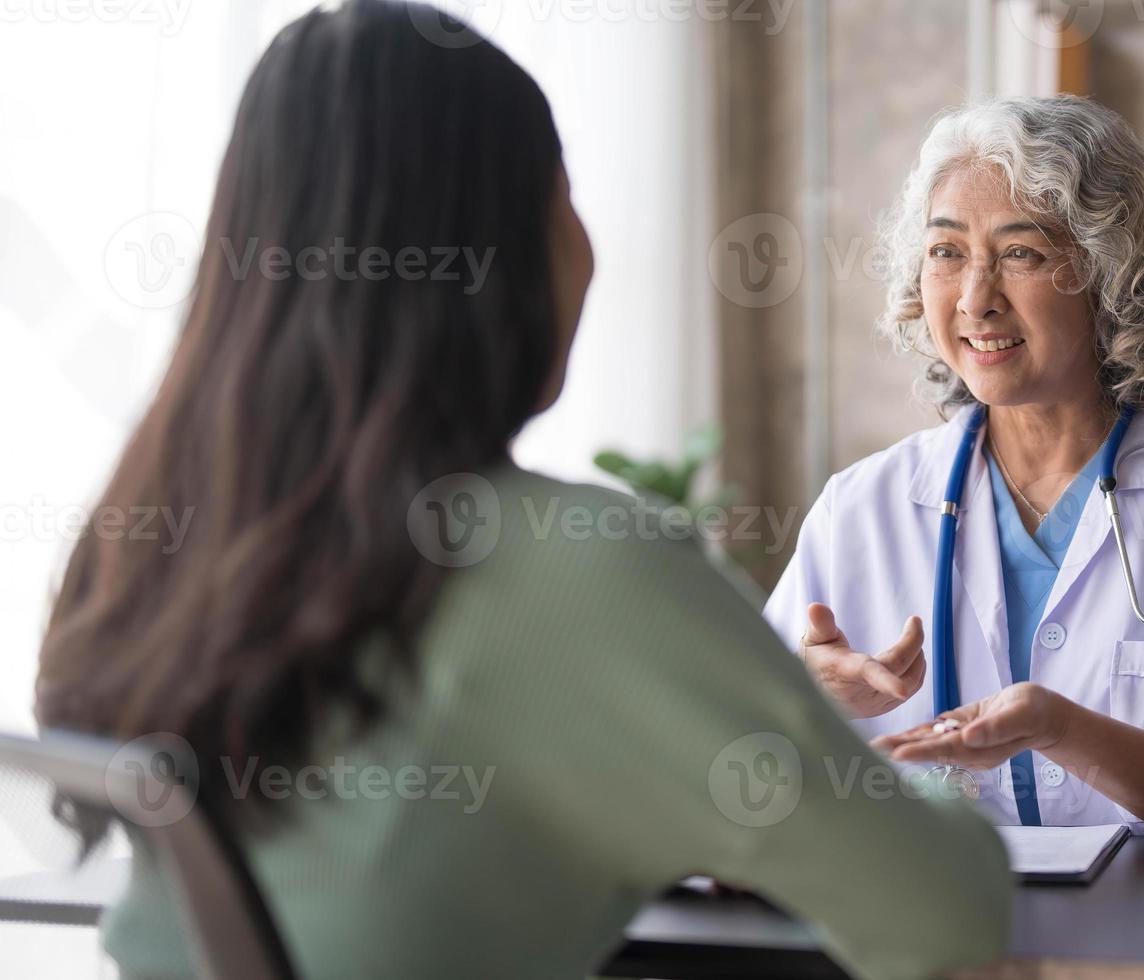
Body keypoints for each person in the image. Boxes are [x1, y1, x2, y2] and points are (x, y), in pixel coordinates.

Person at [33, 4, 1010, 978]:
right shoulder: (568, 566)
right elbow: (945, 910)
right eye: (561, 196)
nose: (587, 247)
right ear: (487, 259)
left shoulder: (153, 542)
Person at [765, 96, 1144, 829]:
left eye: (1020, 254)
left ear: (1113, 274)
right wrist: (804, 700)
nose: (976, 299)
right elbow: (734, 766)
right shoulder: (859, 510)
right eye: (947, 252)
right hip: (928, 929)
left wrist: (1060, 729)